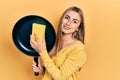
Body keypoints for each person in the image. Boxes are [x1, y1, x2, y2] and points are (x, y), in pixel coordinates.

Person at [30, 6, 86, 80]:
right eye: (67, 18)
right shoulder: (54, 41)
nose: (68, 23)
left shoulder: (77, 49)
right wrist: (43, 71)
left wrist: (42, 52)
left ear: (78, 27)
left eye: (74, 21)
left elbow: (61, 77)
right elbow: (54, 71)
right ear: (62, 19)